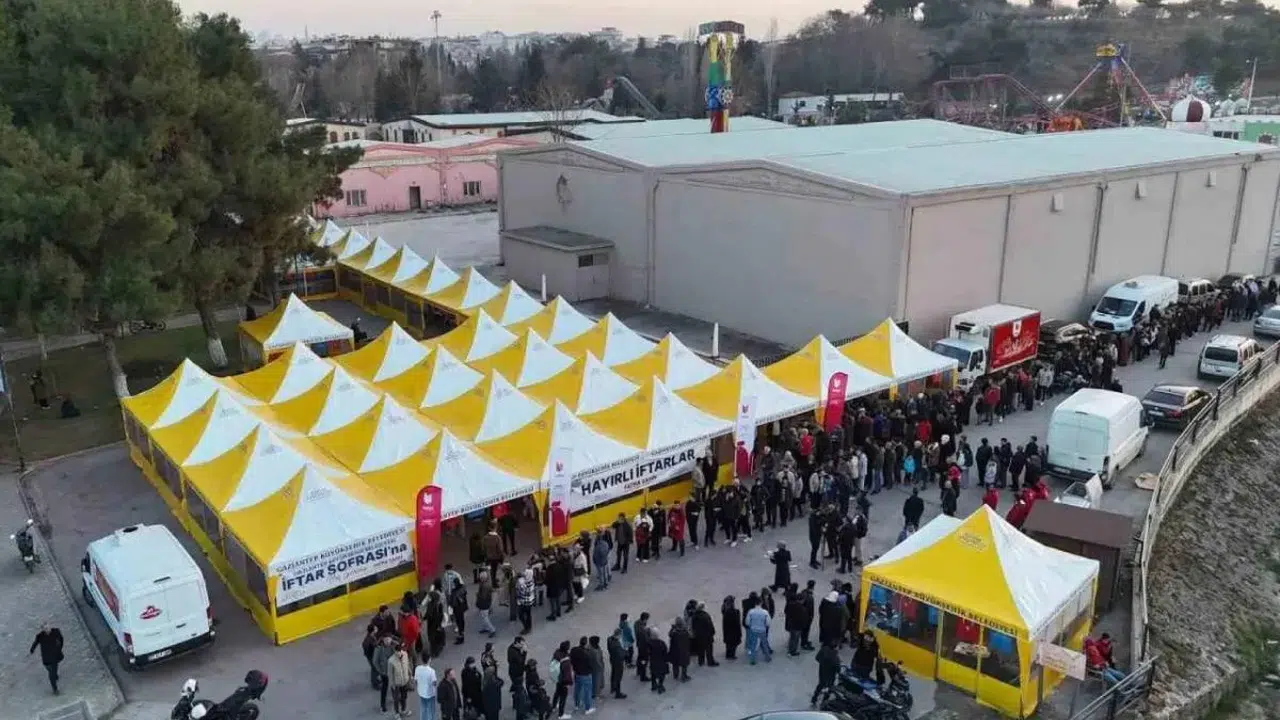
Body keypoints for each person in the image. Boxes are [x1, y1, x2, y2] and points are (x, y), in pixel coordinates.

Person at [29, 623, 64, 695]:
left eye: (48, 627)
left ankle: (55, 689)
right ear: (43, 630)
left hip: (54, 657)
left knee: (52, 673)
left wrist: (59, 648)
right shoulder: (40, 636)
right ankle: (55, 677)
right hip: (46, 658)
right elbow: (35, 643)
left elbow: (61, 639)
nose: (47, 629)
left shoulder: (56, 631)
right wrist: (32, 650)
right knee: (50, 670)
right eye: (45, 628)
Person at [812, 642, 841, 706]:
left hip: (822, 671)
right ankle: (824, 702)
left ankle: (814, 698)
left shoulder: (823, 649)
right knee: (829, 688)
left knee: (820, 685)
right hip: (831, 676)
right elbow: (838, 669)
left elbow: (817, 658)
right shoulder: (835, 657)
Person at [389, 642, 414, 717]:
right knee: (396, 699)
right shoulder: (391, 661)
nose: (399, 654)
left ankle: (403, 710)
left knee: (404, 697)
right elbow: (390, 674)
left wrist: (410, 674)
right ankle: (396, 713)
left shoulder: (405, 655)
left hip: (404, 681)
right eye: (397, 652)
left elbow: (407, 665)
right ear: (395, 651)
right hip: (396, 683)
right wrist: (392, 684)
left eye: (400, 651)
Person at [744, 600, 773, 665]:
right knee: (764, 644)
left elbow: (747, 622)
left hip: (753, 630)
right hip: (762, 630)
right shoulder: (765, 612)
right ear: (761, 604)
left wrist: (751, 625)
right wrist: (765, 626)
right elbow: (768, 622)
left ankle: (752, 659)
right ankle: (767, 657)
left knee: (753, 645)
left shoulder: (751, 611)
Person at [607, 627, 629, 699]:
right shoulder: (616, 645)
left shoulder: (609, 639)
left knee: (613, 674)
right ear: (619, 635)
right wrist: (626, 652)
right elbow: (621, 655)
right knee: (618, 677)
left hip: (612, 660)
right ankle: (618, 693)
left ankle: (613, 687)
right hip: (618, 662)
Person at [668, 617, 692, 682]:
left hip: (675, 651)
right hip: (684, 650)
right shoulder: (685, 631)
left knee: (675, 664)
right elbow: (690, 637)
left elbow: (670, 635)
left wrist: (673, 628)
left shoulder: (674, 632)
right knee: (684, 664)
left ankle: (676, 675)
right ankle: (684, 676)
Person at [647, 628, 670, 694]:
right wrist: (667, 660)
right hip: (661, 661)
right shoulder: (661, 643)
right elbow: (665, 653)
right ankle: (660, 686)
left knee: (653, 673)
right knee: (662, 675)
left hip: (653, 661)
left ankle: (653, 685)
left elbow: (648, 652)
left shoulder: (649, 643)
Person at [721, 595, 742, 660]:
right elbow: (737, 623)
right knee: (733, 643)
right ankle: (732, 655)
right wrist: (739, 632)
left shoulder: (725, 610)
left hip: (727, 629)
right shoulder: (734, 612)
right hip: (733, 630)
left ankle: (728, 654)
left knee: (728, 643)